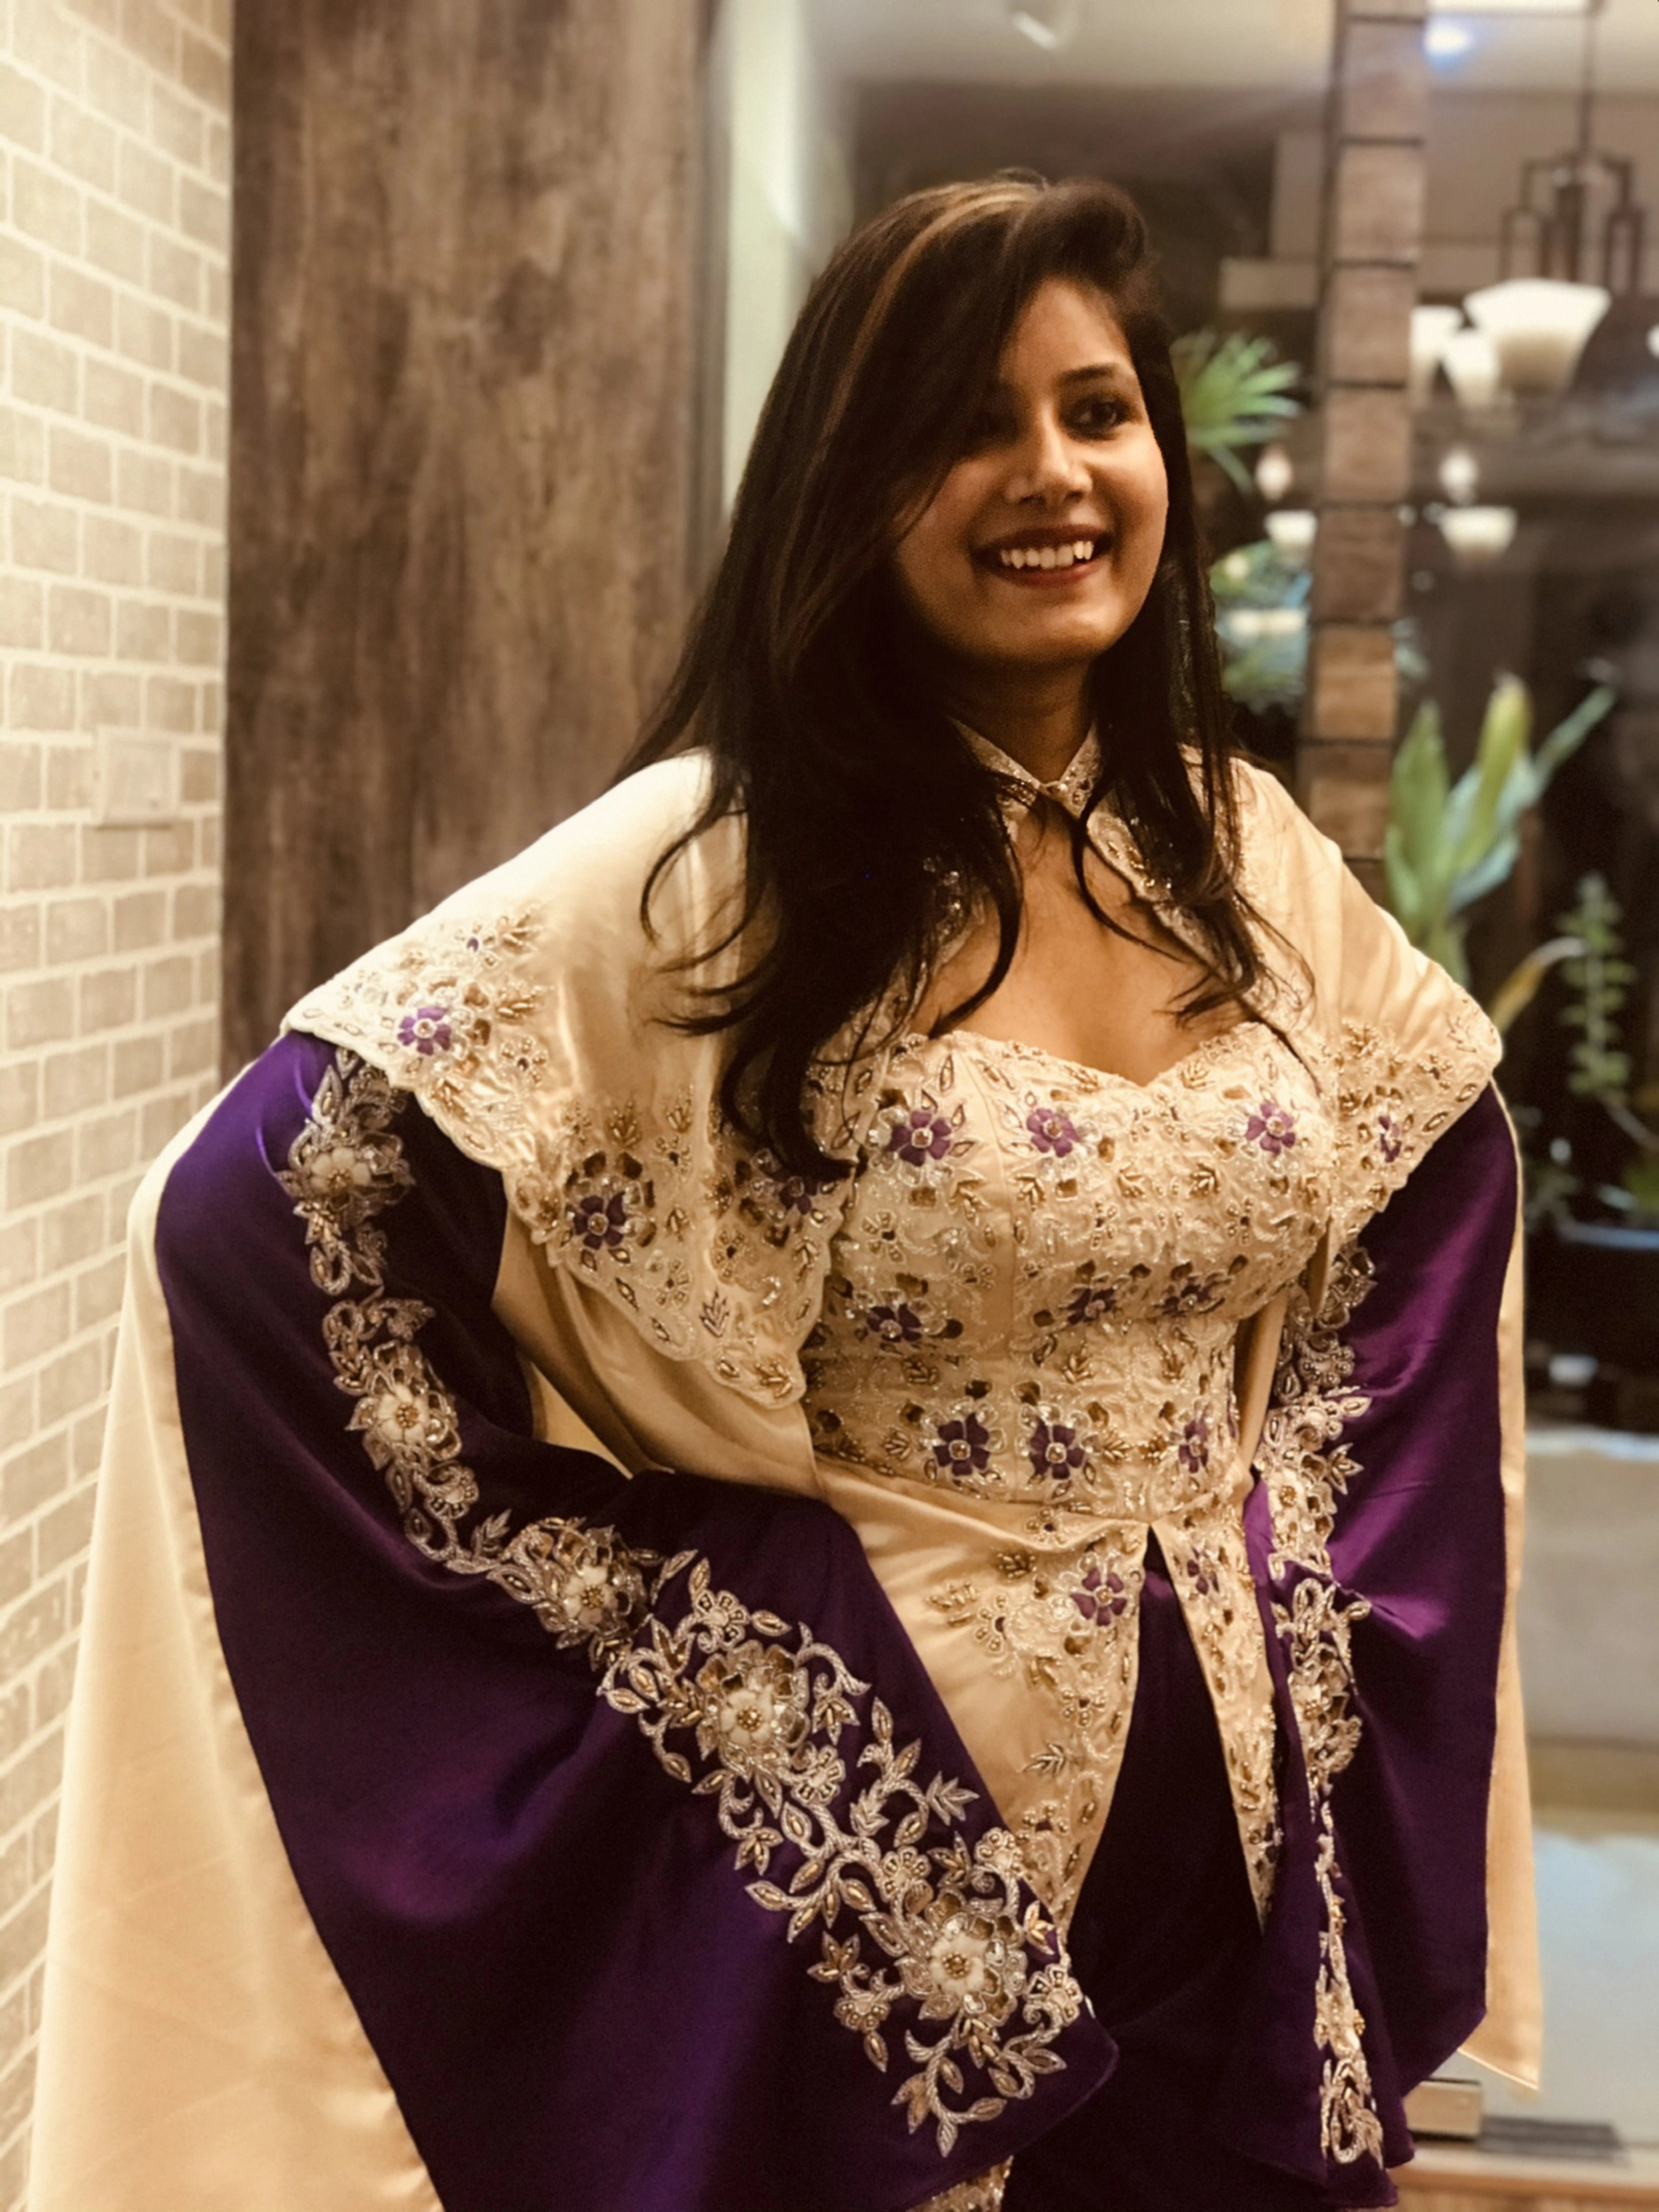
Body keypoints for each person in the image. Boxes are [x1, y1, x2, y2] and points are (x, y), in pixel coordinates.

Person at [29, 178, 1536, 2212]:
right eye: (967, 425)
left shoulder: (1239, 856)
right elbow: (273, 1207)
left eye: (1096, 411)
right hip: (889, 1861)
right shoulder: (708, 869)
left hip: (1240, 1835)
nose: (1050, 475)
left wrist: (1308, 1551)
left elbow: (1430, 1143)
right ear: (847, 484)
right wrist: (718, 1646)